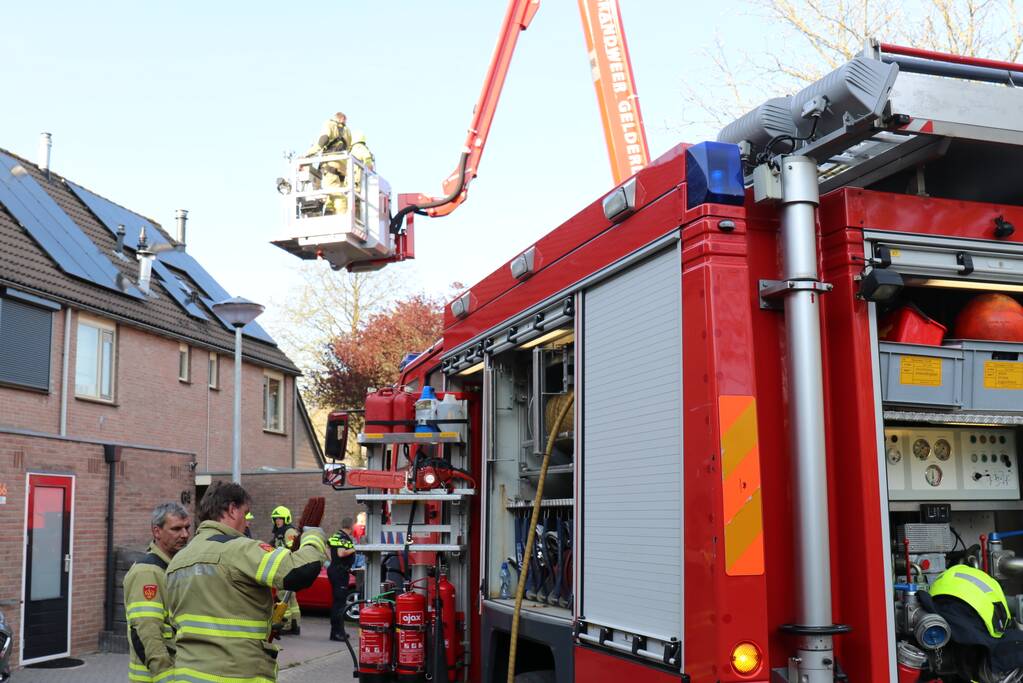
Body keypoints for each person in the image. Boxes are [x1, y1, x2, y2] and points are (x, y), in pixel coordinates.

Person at [165, 481, 327, 683]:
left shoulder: (177, 562)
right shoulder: (240, 549)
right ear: (232, 510)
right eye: (245, 513)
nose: (247, 522)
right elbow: (299, 572)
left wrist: (266, 622)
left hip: (187, 676)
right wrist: (313, 536)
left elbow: (199, 619)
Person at [123, 502, 190, 683]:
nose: (184, 535)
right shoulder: (147, 572)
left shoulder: (171, 569)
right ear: (157, 531)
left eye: (187, 528)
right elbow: (147, 632)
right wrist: (165, 677)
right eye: (176, 529)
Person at [304, 112, 352, 215]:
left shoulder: (329, 124)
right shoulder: (347, 131)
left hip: (331, 164)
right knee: (333, 193)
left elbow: (323, 141)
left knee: (336, 193)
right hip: (343, 168)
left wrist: (306, 155)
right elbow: (349, 148)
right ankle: (330, 213)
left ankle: (342, 216)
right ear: (343, 119)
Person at [270, 505, 303, 634]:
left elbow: (293, 549)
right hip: (286, 568)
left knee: (283, 596)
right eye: (276, 519)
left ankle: (287, 625)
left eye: (280, 519)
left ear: (286, 519)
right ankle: (295, 625)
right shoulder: (280, 533)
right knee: (291, 598)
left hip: (286, 569)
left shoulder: (288, 532)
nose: (277, 521)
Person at [327, 518, 357, 642]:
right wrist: (355, 548)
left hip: (335, 569)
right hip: (340, 572)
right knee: (339, 604)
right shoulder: (344, 538)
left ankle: (338, 631)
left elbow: (326, 547)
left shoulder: (336, 535)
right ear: (351, 526)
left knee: (337, 602)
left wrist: (332, 561)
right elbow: (341, 553)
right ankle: (337, 633)